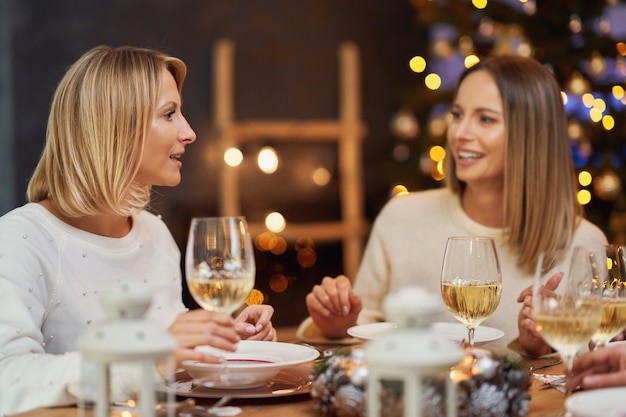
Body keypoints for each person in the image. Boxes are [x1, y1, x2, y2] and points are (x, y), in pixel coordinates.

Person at [0, 45, 276, 415]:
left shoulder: (154, 233)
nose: (190, 132)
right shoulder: (21, 240)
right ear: (115, 126)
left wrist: (219, 340)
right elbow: (8, 379)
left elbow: (164, 370)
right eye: (169, 114)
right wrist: (149, 356)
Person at [300, 55, 607, 355]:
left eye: (485, 119)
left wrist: (538, 348)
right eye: (457, 115)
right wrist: (336, 326)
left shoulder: (584, 245)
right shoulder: (402, 216)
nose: (459, 133)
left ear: (532, 136)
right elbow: (363, 337)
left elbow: (588, 372)